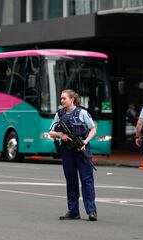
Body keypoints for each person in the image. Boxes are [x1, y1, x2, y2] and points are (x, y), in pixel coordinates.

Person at [49, 89, 97, 221]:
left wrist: (85, 141)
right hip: (67, 150)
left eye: (64, 98)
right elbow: (51, 132)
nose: (62, 101)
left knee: (86, 180)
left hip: (82, 148)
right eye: (61, 98)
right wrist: (61, 135)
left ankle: (91, 211)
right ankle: (73, 211)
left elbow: (93, 129)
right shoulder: (59, 114)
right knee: (71, 180)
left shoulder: (82, 113)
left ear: (72, 99)